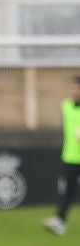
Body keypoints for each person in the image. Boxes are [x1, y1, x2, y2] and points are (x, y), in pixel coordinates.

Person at [42, 74, 80, 235]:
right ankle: (60, 221)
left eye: (76, 87)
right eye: (72, 87)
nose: (73, 90)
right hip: (71, 156)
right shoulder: (66, 106)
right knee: (68, 191)